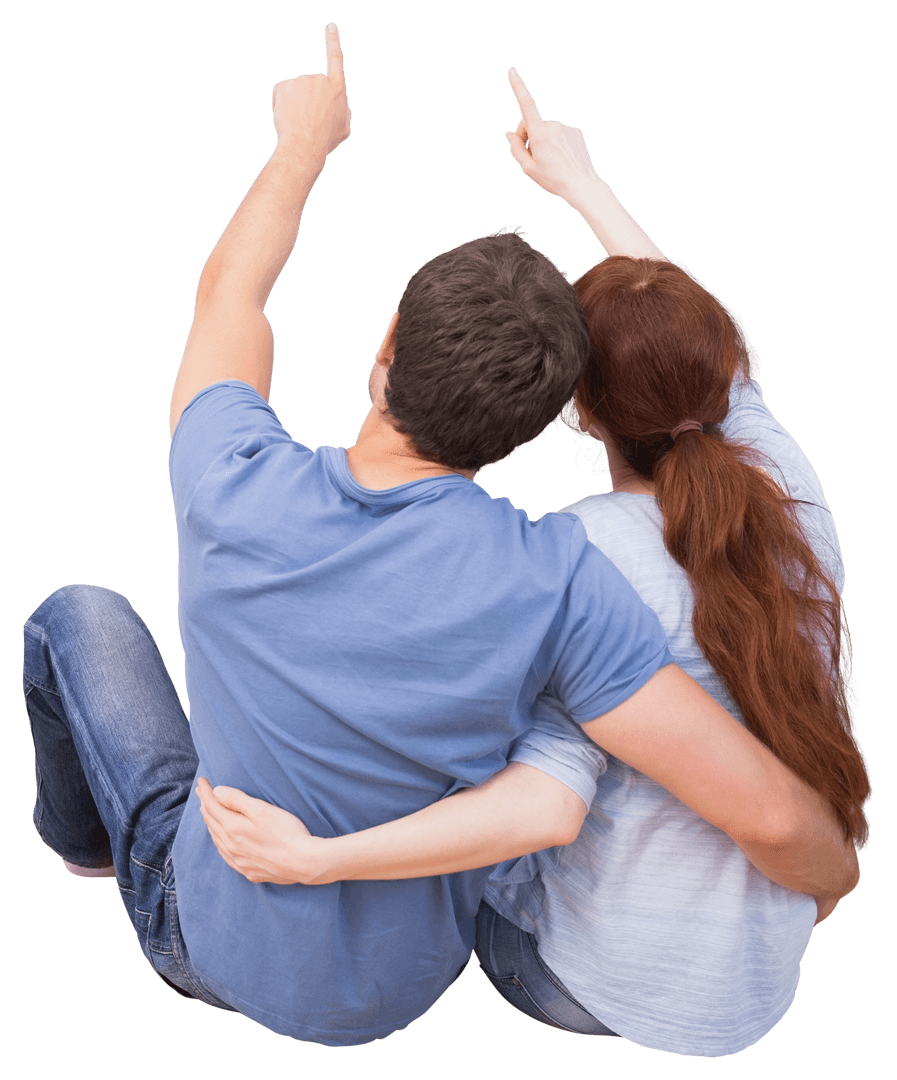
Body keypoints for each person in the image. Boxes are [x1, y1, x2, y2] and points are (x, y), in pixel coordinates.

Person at [23, 27, 858, 1048]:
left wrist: (301, 147)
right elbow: (756, 811)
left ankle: (91, 855)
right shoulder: (560, 581)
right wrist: (830, 877)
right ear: (535, 428)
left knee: (76, 617)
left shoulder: (229, 476)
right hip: (407, 985)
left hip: (208, 938)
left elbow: (227, 298)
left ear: (383, 350)